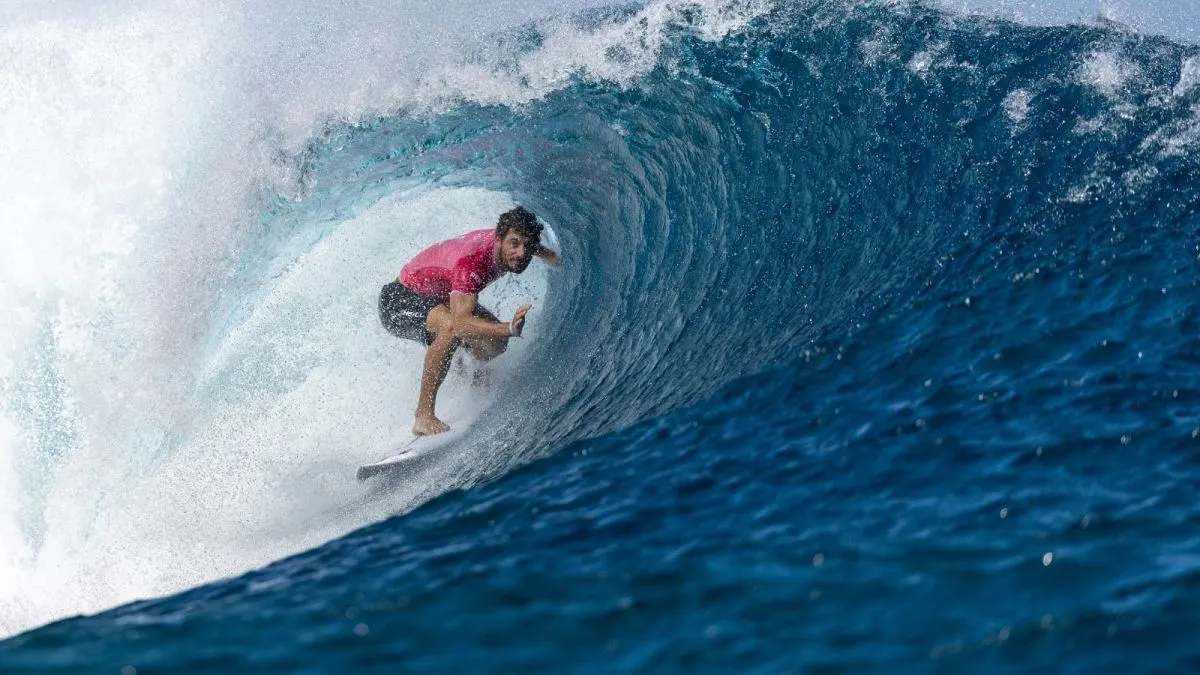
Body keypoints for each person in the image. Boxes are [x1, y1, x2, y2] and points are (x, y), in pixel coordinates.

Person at [378, 206, 561, 436]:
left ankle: (466, 370)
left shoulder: (512, 240)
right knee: (453, 327)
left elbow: (525, 243)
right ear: (499, 239)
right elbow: (462, 324)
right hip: (399, 300)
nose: (521, 253)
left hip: (441, 298)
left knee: (495, 344)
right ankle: (423, 416)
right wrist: (509, 328)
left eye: (528, 246)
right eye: (514, 244)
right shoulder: (472, 263)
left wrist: (553, 257)